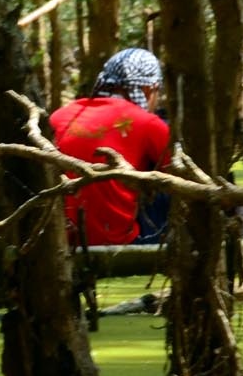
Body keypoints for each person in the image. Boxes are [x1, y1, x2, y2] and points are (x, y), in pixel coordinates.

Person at [49, 47, 171, 246]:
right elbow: (184, 178)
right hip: (117, 240)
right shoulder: (148, 123)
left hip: (61, 239)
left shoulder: (58, 116)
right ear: (150, 89)